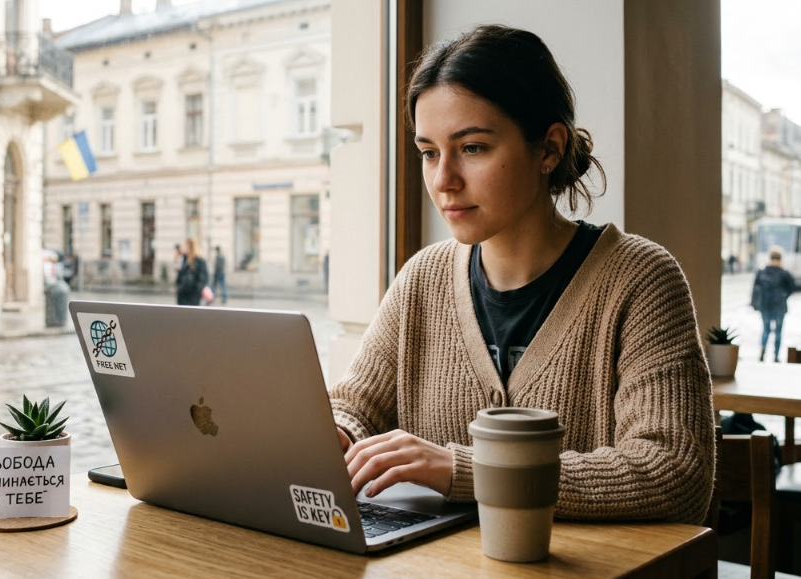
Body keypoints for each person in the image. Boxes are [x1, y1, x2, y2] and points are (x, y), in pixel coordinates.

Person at [328, 24, 714, 525]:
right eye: (428, 153)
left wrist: (464, 469)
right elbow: (355, 408)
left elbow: (673, 474)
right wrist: (337, 437)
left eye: (472, 148)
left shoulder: (640, 279)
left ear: (549, 149)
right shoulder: (421, 280)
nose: (443, 180)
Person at [752, 246, 796, 362]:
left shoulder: (762, 271)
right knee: (778, 331)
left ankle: (762, 351)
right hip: (779, 305)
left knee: (766, 329)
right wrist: (784, 296)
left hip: (765, 305)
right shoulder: (784, 273)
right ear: (781, 259)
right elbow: (792, 287)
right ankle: (776, 356)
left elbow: (756, 288)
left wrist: (755, 304)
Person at [176, 238, 208, 306]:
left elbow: (203, 277)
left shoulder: (200, 261)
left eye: (186, 246)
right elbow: (180, 276)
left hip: (193, 294)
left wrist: (198, 290)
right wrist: (179, 287)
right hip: (182, 293)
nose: (185, 248)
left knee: (192, 315)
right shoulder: (184, 259)